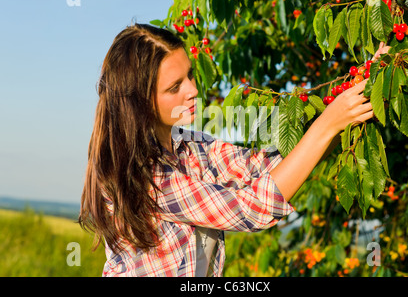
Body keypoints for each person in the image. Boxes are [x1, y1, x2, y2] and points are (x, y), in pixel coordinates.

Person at [79, 23, 389, 277]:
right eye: (175, 87)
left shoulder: (191, 145)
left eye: (189, 75)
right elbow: (252, 208)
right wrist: (328, 123)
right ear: (140, 101)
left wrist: (351, 98)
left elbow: (265, 165)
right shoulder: (144, 177)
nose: (193, 90)